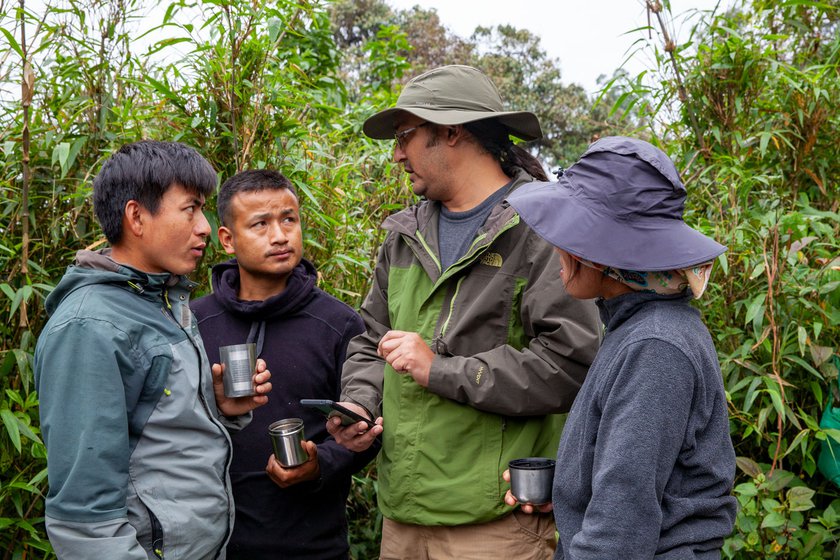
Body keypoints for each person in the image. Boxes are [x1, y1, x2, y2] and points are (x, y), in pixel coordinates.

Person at [328, 64, 602, 559]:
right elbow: (372, 339)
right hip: (404, 515)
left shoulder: (539, 228)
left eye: (405, 136)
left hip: (493, 523)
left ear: (450, 132)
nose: (396, 154)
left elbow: (570, 363)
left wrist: (442, 370)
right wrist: (360, 403)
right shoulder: (404, 235)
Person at [34, 140, 272, 559]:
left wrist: (216, 407)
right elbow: (86, 518)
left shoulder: (162, 300)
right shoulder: (91, 327)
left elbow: (154, 432)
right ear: (136, 216)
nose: (204, 227)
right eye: (190, 208)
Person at [504, 136, 738, 558]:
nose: (557, 248)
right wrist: (571, 490)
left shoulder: (655, 346)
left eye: (571, 232)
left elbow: (620, 533)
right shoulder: (637, 327)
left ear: (605, 254)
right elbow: (640, 475)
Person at [190, 169, 379, 560]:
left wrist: (319, 465)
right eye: (260, 224)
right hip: (208, 545)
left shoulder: (339, 324)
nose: (280, 235)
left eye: (288, 219)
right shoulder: (193, 323)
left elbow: (368, 429)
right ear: (227, 239)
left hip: (312, 546)